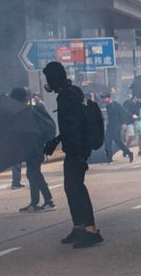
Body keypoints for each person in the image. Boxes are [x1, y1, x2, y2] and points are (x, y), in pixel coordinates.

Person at [42, 61, 102, 247]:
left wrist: (78, 153)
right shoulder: (73, 91)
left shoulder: (65, 96)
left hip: (76, 151)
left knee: (76, 189)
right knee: (71, 188)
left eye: (48, 78)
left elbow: (74, 126)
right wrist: (57, 141)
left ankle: (90, 230)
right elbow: (71, 125)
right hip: (77, 148)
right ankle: (78, 227)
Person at [12, 87, 56, 212]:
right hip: (34, 149)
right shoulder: (28, 110)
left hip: (34, 149)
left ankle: (49, 201)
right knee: (32, 174)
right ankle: (34, 202)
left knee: (35, 174)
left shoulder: (26, 112)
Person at [105, 94, 132, 162]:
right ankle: (110, 159)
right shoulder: (107, 106)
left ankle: (129, 153)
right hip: (109, 127)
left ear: (108, 98)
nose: (103, 100)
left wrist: (124, 122)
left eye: (104, 98)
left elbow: (124, 112)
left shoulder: (115, 104)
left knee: (118, 142)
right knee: (107, 142)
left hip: (116, 126)